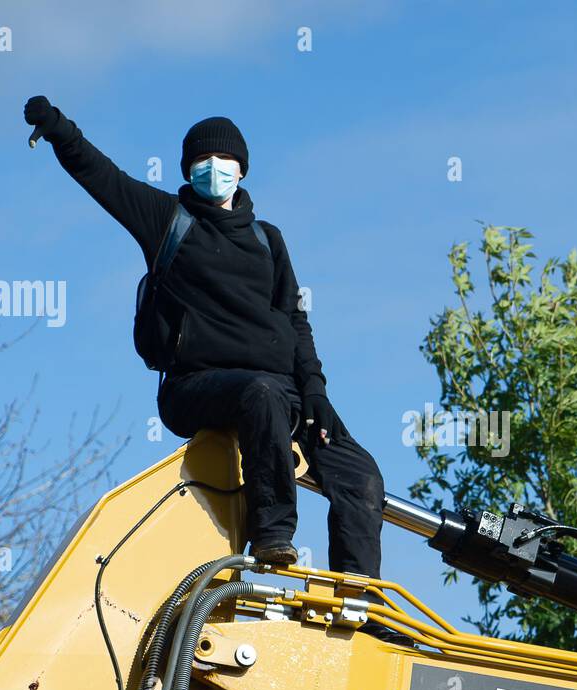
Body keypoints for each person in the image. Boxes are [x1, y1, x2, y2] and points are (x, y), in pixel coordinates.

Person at [23, 96, 384, 575]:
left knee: (360, 475)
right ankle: (274, 535)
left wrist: (315, 390)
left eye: (223, 159)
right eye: (201, 160)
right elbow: (101, 176)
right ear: (188, 168)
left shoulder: (268, 239)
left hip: (283, 389)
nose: (213, 167)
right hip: (197, 387)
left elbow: (295, 320)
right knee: (261, 394)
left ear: (243, 168)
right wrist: (58, 129)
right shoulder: (168, 220)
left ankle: (358, 600)